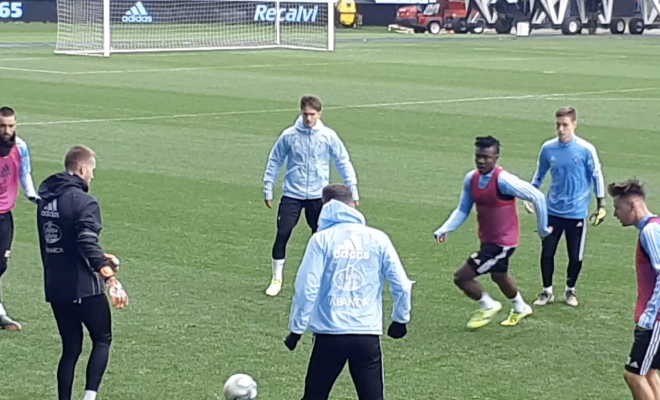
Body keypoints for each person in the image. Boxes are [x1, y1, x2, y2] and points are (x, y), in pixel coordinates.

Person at [284, 183, 414, 400]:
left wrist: (296, 329)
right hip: (367, 335)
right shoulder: (378, 238)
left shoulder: (321, 240)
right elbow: (401, 283)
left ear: (326, 206)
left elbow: (307, 288)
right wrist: (400, 320)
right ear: (353, 204)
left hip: (330, 334)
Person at [36, 145, 129, 400]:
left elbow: (66, 241)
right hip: (83, 287)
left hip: (55, 286)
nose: (92, 177)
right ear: (82, 168)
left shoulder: (46, 201)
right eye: (92, 171)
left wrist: (102, 257)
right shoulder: (85, 201)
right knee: (102, 339)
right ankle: (89, 398)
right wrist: (109, 277)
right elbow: (86, 241)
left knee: (70, 348)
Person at [433, 136, 552, 329]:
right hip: (488, 240)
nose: (481, 161)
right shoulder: (471, 179)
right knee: (499, 275)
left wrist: (543, 229)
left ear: (496, 157)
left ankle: (488, 305)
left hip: (503, 243)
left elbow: (536, 196)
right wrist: (445, 228)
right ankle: (520, 307)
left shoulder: (503, 180)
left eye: (486, 157)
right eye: (478, 156)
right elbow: (463, 209)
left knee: (462, 277)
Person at [262, 95, 360, 297]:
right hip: (292, 194)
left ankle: (324, 278)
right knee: (283, 233)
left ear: (319, 114)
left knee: (321, 237)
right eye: (305, 114)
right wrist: (268, 188)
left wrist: (353, 191)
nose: (308, 119)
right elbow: (275, 161)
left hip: (318, 196)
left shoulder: (328, 136)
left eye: (312, 115)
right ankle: (276, 278)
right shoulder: (289, 135)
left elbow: (343, 161)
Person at [526, 106, 606, 307]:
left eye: (565, 125)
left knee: (575, 256)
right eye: (558, 125)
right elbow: (540, 174)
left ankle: (570, 290)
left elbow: (597, 176)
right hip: (552, 211)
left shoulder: (586, 150)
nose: (561, 129)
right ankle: (547, 292)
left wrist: (601, 204)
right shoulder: (548, 149)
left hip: (576, 213)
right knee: (547, 252)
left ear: (574, 124)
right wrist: (528, 195)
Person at [608, 179, 660, 400]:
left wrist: (650, 316)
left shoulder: (650, 231)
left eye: (617, 208)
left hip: (655, 320)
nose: (615, 214)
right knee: (648, 373)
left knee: (633, 375)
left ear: (632, 205)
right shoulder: (653, 227)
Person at [0, 106, 39, 331]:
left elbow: (24, 171)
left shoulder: (20, 147)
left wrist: (32, 194)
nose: (7, 130)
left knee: (1, 264)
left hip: (5, 215)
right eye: (2, 126)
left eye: (10, 126)